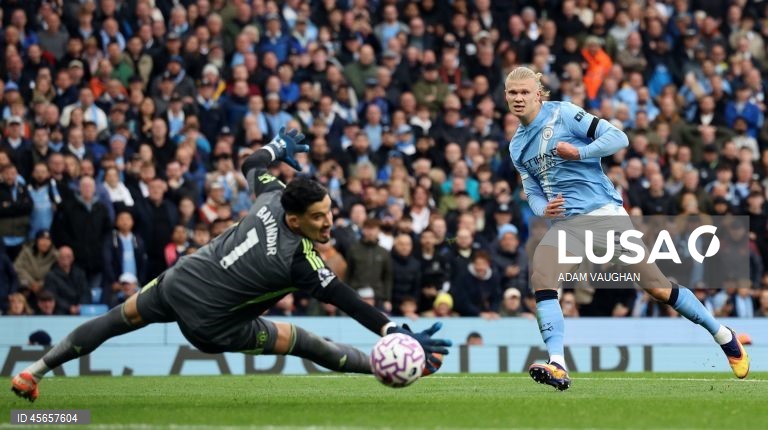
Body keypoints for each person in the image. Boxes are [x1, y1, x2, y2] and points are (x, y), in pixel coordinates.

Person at [11, 128, 451, 402]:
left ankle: (33, 372)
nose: (328, 222)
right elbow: (346, 299)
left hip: (182, 280)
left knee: (115, 320)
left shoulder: (272, 195)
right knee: (307, 342)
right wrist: (392, 332)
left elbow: (252, 162)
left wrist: (276, 145)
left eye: (329, 211)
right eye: (318, 218)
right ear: (295, 220)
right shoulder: (299, 260)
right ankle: (383, 366)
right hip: (211, 323)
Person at [504, 67, 750, 391]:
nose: (518, 98)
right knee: (543, 275)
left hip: (606, 214)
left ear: (538, 94)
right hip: (568, 224)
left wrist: (580, 152)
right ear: (506, 97)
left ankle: (723, 335)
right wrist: (541, 208)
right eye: (512, 93)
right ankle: (558, 364)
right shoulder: (517, 146)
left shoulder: (563, 114)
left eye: (524, 92)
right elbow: (532, 192)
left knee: (658, 289)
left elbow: (619, 137)